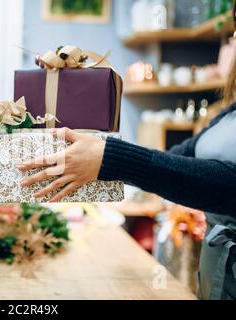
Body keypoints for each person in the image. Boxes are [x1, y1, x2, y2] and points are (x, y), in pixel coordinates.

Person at [19, 5, 236, 302]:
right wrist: (80, 89)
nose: (231, 41)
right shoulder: (227, 115)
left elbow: (228, 184)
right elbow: (178, 162)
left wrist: (111, 158)